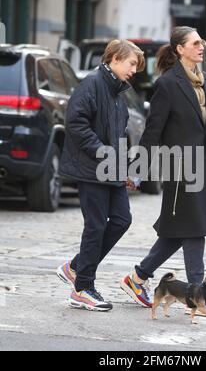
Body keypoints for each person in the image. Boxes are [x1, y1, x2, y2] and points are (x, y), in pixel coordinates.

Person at [121, 26, 206, 316]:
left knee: (176, 233)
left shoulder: (205, 81)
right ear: (180, 48)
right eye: (195, 43)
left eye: (202, 42)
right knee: (194, 232)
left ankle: (137, 278)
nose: (201, 47)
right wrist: (139, 170)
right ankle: (197, 297)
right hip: (179, 170)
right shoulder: (167, 84)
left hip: (203, 170)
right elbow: (152, 133)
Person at [56, 40, 145, 311]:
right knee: (95, 226)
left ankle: (76, 266)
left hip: (110, 170)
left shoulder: (118, 92)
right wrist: (103, 153)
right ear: (115, 59)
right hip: (91, 168)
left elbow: (117, 137)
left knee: (121, 219)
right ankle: (82, 288)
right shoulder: (92, 84)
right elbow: (76, 124)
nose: (134, 70)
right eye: (132, 64)